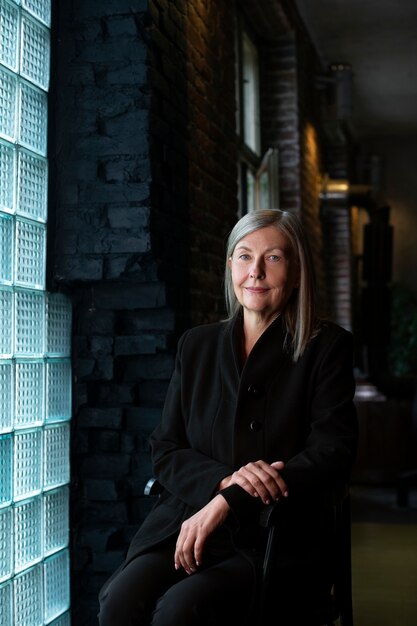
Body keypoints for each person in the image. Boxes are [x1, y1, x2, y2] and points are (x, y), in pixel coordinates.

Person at [98, 208, 358, 625]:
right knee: (119, 603)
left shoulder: (327, 347)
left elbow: (332, 452)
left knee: (179, 612)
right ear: (230, 265)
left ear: (296, 273)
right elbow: (165, 448)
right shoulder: (196, 345)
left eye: (273, 258)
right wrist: (222, 483)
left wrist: (231, 500)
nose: (255, 271)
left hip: (278, 536)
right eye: (243, 256)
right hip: (191, 520)